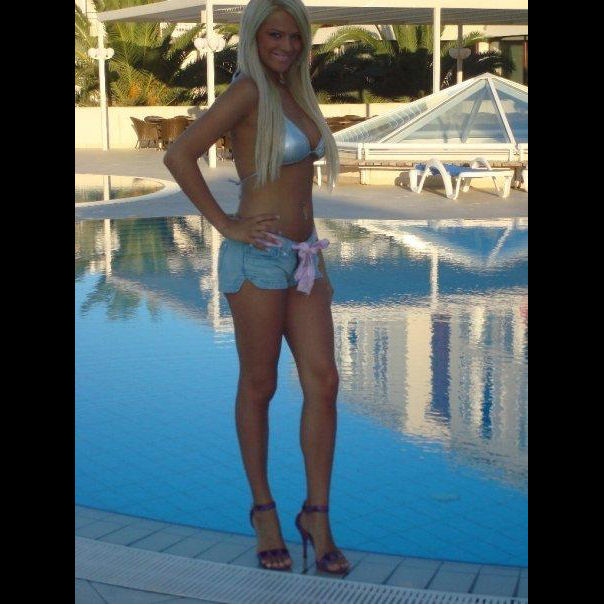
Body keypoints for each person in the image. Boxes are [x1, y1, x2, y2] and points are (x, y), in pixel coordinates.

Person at [163, 0, 349, 575]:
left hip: (305, 257)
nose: (286, 46)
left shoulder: (298, 92)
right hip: (258, 260)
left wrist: (311, 248)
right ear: (254, 37)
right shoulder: (247, 92)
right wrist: (227, 224)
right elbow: (179, 153)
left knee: (324, 381)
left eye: (294, 36)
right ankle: (264, 511)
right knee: (260, 383)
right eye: (275, 35)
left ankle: (316, 514)